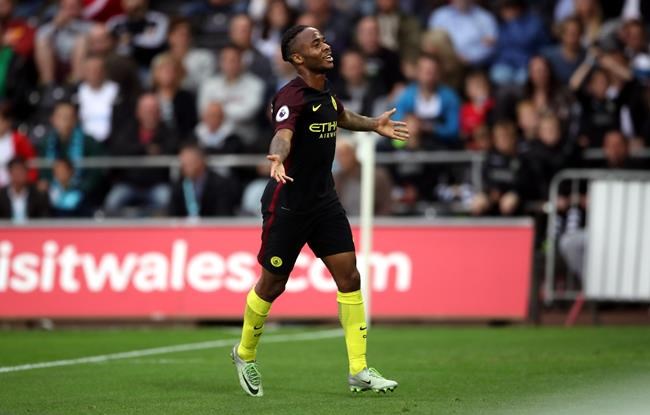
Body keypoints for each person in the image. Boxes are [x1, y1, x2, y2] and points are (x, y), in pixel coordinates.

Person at [231, 25, 408, 397]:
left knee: (350, 277)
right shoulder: (290, 97)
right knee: (272, 284)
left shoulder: (324, 93)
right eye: (316, 44)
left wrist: (374, 125)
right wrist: (278, 156)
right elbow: (284, 132)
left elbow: (340, 116)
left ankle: (359, 370)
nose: (326, 46)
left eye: (324, 40)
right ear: (298, 58)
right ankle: (244, 353)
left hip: (324, 201)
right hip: (289, 203)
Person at [168, 144, 239, 217]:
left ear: (200, 162)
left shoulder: (220, 184)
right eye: (183, 163)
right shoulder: (178, 185)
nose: (184, 167)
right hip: (185, 227)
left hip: (212, 226)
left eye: (189, 163)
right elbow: (173, 215)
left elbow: (223, 215)